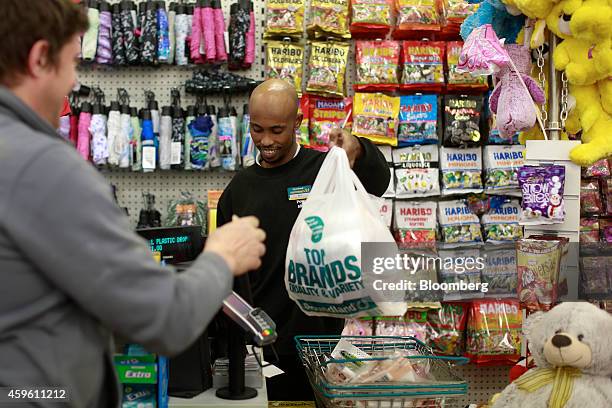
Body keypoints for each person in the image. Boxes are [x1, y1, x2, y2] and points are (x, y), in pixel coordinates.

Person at [0, 1, 266, 407]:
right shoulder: (43, 167)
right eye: (72, 62)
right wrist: (222, 256)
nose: (74, 82)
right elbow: (165, 318)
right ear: (39, 59)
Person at [216, 79, 390, 400]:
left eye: (276, 130)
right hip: (262, 353)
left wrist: (359, 150)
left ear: (297, 123)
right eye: (257, 129)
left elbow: (378, 181)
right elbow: (226, 282)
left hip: (322, 352)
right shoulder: (239, 191)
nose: (265, 140)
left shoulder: (322, 171)